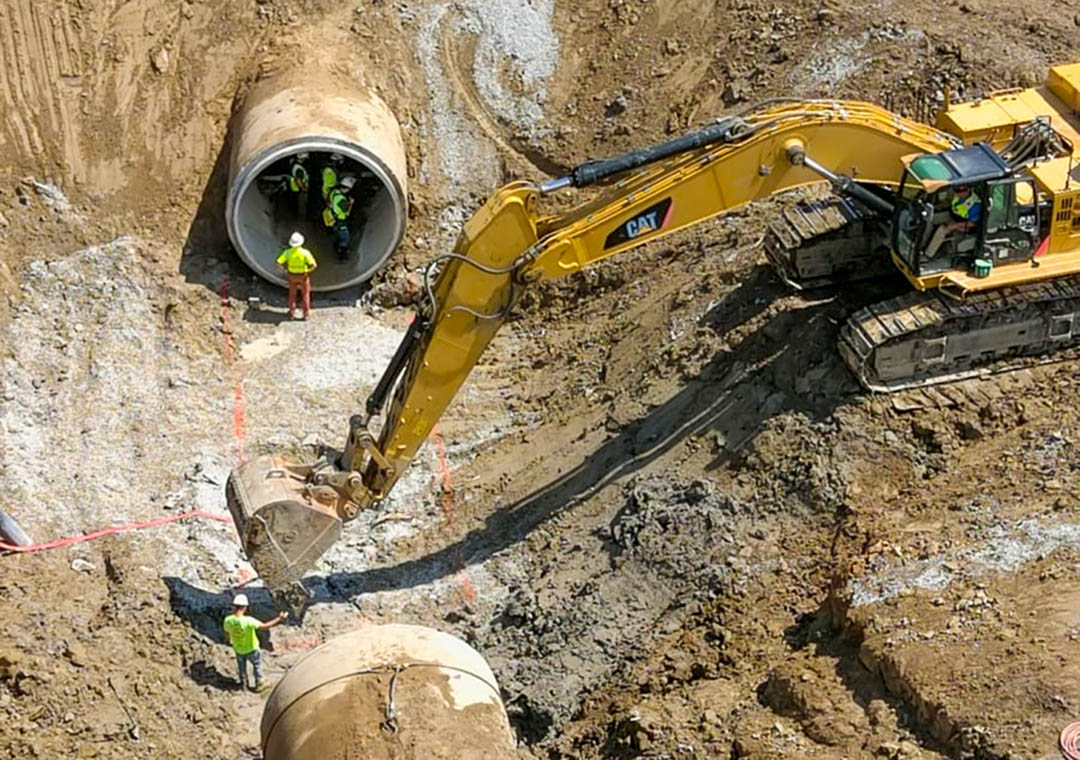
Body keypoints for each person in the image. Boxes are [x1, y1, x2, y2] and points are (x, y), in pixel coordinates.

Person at [223, 593, 288, 692]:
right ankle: (259, 683)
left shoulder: (228, 620)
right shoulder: (248, 621)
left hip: (238, 648)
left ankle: (243, 684)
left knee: (242, 667)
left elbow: (227, 633)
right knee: (257, 665)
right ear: (245, 607)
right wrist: (279, 618)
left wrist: (229, 641)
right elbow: (265, 626)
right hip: (252, 648)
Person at [925, 185, 982, 259]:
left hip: (964, 225)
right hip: (953, 215)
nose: (957, 194)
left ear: (967, 191)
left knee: (942, 229)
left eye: (959, 192)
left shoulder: (975, 205)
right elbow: (950, 203)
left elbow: (973, 223)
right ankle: (922, 244)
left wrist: (955, 225)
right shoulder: (956, 195)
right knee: (929, 219)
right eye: (956, 191)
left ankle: (928, 255)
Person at [275, 231, 318, 320]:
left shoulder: (287, 252)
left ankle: (291, 313)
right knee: (305, 294)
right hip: (303, 276)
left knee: (292, 294)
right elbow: (314, 265)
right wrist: (308, 271)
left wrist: (285, 270)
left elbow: (278, 262)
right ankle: (306, 314)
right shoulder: (305, 253)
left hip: (292, 275)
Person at [322, 175, 356, 261]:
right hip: (341, 220)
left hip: (333, 218)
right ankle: (342, 255)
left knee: (336, 234)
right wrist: (351, 204)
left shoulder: (334, 192)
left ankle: (335, 247)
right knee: (345, 238)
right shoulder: (341, 199)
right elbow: (346, 211)